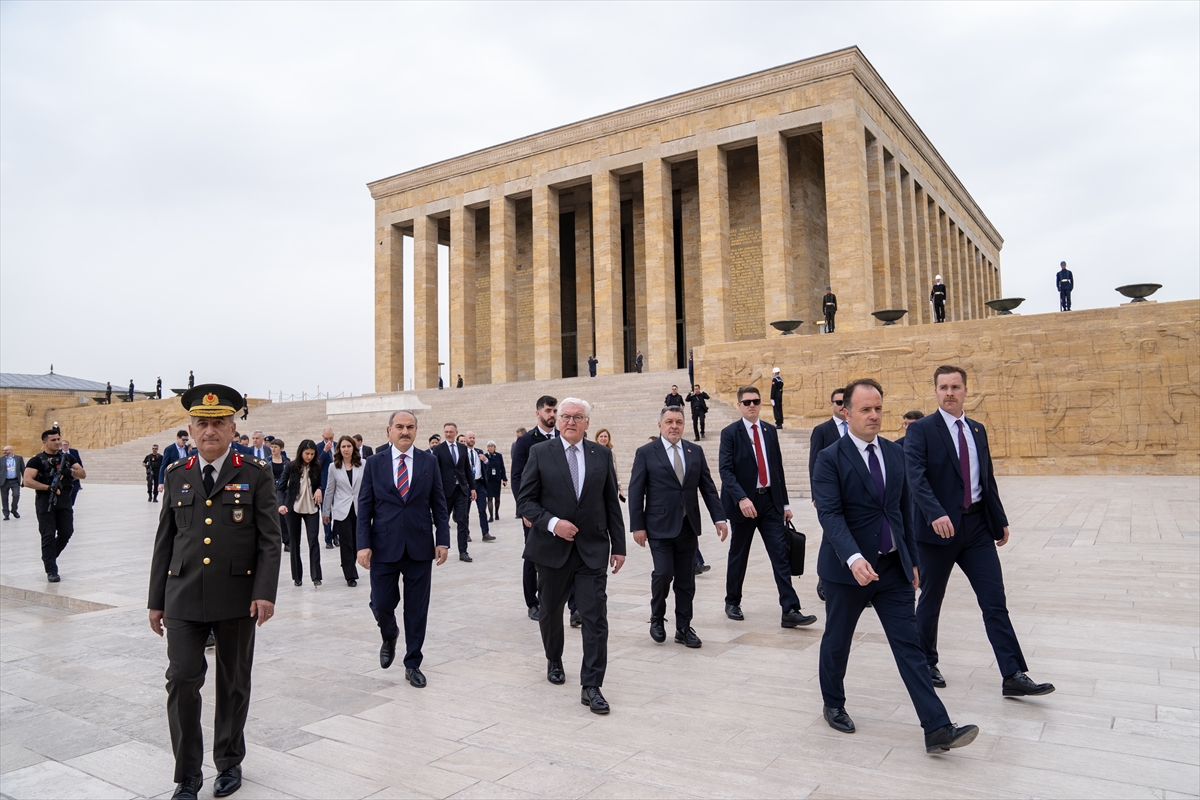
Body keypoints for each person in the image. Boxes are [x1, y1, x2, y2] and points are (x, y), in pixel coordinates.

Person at [811, 377, 979, 753]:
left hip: (892, 569)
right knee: (838, 640)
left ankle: (937, 728)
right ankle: (833, 703)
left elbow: (904, 511)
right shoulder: (830, 458)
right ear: (846, 412)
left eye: (878, 409)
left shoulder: (894, 454)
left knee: (910, 647)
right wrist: (853, 558)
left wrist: (913, 560)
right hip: (846, 570)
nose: (874, 416)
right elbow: (831, 515)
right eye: (865, 409)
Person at [147, 383, 281, 800]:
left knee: (234, 681)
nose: (210, 431)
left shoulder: (255, 472)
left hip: (238, 595)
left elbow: (269, 539)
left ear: (232, 426)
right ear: (191, 427)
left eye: (218, 423)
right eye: (202, 423)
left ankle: (229, 761)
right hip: (183, 595)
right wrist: (155, 601)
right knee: (182, 680)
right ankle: (188, 775)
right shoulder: (176, 474)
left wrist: (265, 592)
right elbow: (164, 540)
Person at [905, 365, 1056, 697]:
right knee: (931, 598)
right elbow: (915, 478)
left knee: (994, 600)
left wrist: (998, 519)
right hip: (937, 532)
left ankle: (1013, 674)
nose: (949, 392)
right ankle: (925, 662)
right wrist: (935, 513)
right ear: (935, 391)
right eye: (943, 387)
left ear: (965, 391)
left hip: (975, 528)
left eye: (955, 387)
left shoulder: (976, 430)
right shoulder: (922, 430)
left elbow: (985, 478)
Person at [516, 397, 626, 714]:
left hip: (591, 550)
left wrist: (618, 546)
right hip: (551, 551)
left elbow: (611, 504)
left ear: (587, 423)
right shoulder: (540, 452)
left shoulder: (601, 455)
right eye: (565, 416)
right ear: (558, 420)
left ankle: (591, 685)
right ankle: (554, 658)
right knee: (550, 612)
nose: (571, 422)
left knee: (595, 619)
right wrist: (553, 524)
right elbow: (525, 501)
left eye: (578, 417)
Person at [357, 410, 450, 688]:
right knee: (382, 603)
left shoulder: (429, 462)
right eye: (399, 427)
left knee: (417, 610)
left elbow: (439, 505)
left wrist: (442, 540)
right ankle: (389, 633)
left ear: (416, 431)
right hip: (383, 547)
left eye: (410, 427)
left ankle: (413, 663)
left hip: (420, 548)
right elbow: (364, 508)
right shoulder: (374, 463)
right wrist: (363, 545)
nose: (405, 431)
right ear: (389, 431)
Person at [628, 406, 726, 648]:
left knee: (686, 580)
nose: (674, 426)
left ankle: (683, 627)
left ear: (684, 425)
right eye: (669, 421)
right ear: (660, 425)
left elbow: (708, 487)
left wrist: (719, 518)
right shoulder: (646, 452)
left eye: (679, 422)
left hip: (687, 526)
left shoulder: (695, 451)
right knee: (663, 574)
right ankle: (657, 618)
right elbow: (635, 491)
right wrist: (637, 526)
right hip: (658, 526)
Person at [719, 385, 815, 627]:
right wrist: (741, 498)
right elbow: (726, 471)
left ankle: (790, 609)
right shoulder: (730, 433)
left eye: (756, 401)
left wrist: (784, 503)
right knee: (739, 555)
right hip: (744, 505)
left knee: (780, 554)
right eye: (747, 401)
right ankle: (732, 601)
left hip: (770, 502)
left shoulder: (769, 431)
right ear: (739, 405)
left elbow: (777, 468)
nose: (752, 405)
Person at [511, 397, 559, 619]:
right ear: (537, 413)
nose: (552, 414)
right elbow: (517, 478)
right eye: (548, 410)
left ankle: (572, 605)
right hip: (534, 510)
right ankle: (532, 602)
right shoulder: (525, 442)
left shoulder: (562, 437)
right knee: (533, 556)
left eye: (555, 410)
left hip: (559, 509)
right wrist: (524, 510)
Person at [23, 429, 85, 582]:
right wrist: (48, 488)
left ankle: (49, 557)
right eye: (53, 440)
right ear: (44, 442)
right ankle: (51, 570)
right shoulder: (36, 460)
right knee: (48, 535)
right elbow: (27, 481)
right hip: (45, 500)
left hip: (64, 499)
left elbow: (82, 474)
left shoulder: (68, 457)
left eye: (58, 439)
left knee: (66, 532)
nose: (57, 442)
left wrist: (69, 471)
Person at [278, 439, 323, 587]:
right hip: (293, 508)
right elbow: (281, 486)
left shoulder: (317, 466)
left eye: (312, 454)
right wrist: (281, 504)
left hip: (312, 508)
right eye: (306, 453)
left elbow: (321, 483)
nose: (309, 456)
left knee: (313, 541)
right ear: (301, 452)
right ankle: (297, 577)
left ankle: (316, 577)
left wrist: (319, 489)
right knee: (294, 542)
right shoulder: (291, 466)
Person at [322, 436, 363, 587]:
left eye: (349, 446)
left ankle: (348, 563)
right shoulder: (334, 467)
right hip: (341, 509)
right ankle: (350, 575)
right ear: (339, 449)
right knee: (346, 543)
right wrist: (326, 512)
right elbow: (329, 490)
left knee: (357, 542)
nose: (346, 449)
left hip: (359, 509)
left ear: (354, 448)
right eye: (343, 447)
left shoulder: (363, 464)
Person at [434, 422, 475, 562]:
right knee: (442, 520)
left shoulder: (463, 448)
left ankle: (463, 551)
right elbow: (436, 471)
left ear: (456, 433)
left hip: (461, 490)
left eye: (451, 432)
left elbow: (467, 469)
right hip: (445, 491)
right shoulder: (439, 449)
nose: (448, 434)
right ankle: (442, 547)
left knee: (462, 521)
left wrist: (473, 488)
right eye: (446, 432)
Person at [809, 388, 849, 496]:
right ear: (831, 404)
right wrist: (815, 495)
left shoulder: (858, 428)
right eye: (839, 402)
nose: (843, 406)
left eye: (845, 402)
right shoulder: (821, 430)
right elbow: (814, 463)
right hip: (831, 488)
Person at [463, 431, 494, 542]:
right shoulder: (462, 452)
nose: (472, 439)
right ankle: (466, 534)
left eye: (473, 437)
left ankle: (485, 533)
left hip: (479, 484)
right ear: (465, 439)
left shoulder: (479, 451)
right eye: (470, 437)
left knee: (482, 510)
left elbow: (487, 465)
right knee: (465, 511)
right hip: (466, 485)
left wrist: (486, 461)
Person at [592, 429, 627, 504]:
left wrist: (620, 488)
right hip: (598, 485)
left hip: (610, 484)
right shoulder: (593, 452)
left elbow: (615, 470)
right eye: (601, 436)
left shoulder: (612, 453)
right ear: (597, 438)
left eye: (605, 436)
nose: (603, 439)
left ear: (608, 438)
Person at [317, 427, 337, 548]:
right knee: (326, 512)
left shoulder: (339, 445)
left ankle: (336, 535)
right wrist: (325, 451)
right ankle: (328, 538)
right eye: (326, 438)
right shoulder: (318, 447)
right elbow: (317, 464)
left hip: (338, 483)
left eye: (331, 438)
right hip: (325, 483)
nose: (329, 441)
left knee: (340, 510)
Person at [268, 440, 289, 551]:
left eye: (275, 447)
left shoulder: (286, 462)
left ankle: (287, 541)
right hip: (270, 491)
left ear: (281, 448)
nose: (273, 449)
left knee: (283, 517)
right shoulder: (266, 461)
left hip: (283, 491)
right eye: (272, 447)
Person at [483, 441, 507, 521]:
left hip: (496, 479)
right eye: (489, 446)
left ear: (494, 447)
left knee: (497, 498)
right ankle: (491, 516)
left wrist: (504, 479)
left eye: (492, 446)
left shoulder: (499, 456)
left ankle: (497, 513)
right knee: (489, 498)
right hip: (489, 480)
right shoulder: (485, 456)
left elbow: (502, 468)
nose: (490, 448)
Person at [3, 445, 26, 520]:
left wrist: (24, 479)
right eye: (3, 450)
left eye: (6, 450)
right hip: (4, 481)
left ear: (11, 450)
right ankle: (6, 514)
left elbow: (23, 469)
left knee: (16, 495)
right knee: (4, 497)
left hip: (15, 480)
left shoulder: (18, 458)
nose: (4, 452)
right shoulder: (1, 459)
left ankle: (14, 509)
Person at [59, 439, 83, 504]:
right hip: (64, 478)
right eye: (64, 445)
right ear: (61, 446)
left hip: (74, 477)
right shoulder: (58, 453)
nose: (66, 446)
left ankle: (70, 505)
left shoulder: (74, 452)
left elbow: (79, 461)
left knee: (74, 492)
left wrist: (80, 470)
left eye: (67, 445)